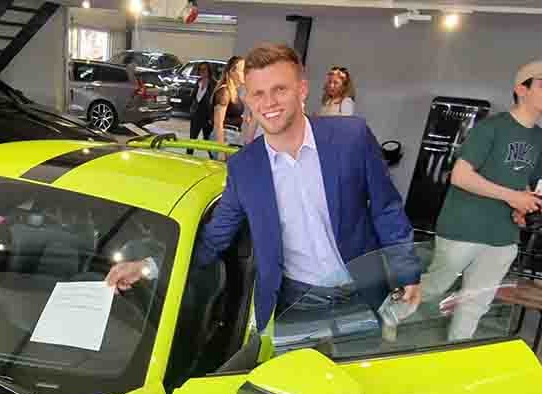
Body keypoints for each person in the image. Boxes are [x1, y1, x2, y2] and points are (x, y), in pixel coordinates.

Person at [107, 43, 420, 334]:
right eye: (257, 93)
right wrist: (149, 265)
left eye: (279, 89)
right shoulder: (244, 168)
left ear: (302, 88)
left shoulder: (352, 137)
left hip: (363, 291)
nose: (268, 103)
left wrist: (407, 272)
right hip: (298, 301)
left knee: (361, 384)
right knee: (299, 390)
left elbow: (386, 208)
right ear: (247, 99)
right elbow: (213, 240)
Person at [420, 60, 542, 341]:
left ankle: (454, 357)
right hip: (465, 227)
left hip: (503, 235)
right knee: (435, 287)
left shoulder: (539, 138)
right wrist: (513, 197)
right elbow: (460, 176)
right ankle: (390, 312)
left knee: (476, 304)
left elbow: (527, 183)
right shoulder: (491, 128)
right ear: (520, 90)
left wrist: (523, 207)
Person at [212, 56, 246, 158]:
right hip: (225, 136)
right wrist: (221, 150)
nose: (246, 73)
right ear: (232, 71)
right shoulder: (224, 92)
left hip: (233, 136)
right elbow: (218, 124)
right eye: (243, 70)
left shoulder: (234, 92)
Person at [187, 62, 216, 156]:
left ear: (209, 71)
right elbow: (193, 98)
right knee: (192, 139)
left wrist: (212, 117)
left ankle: (213, 158)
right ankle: (188, 157)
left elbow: (214, 102)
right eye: (200, 70)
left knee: (207, 140)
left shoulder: (213, 84)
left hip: (207, 117)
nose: (202, 72)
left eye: (204, 69)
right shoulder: (198, 82)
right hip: (196, 115)